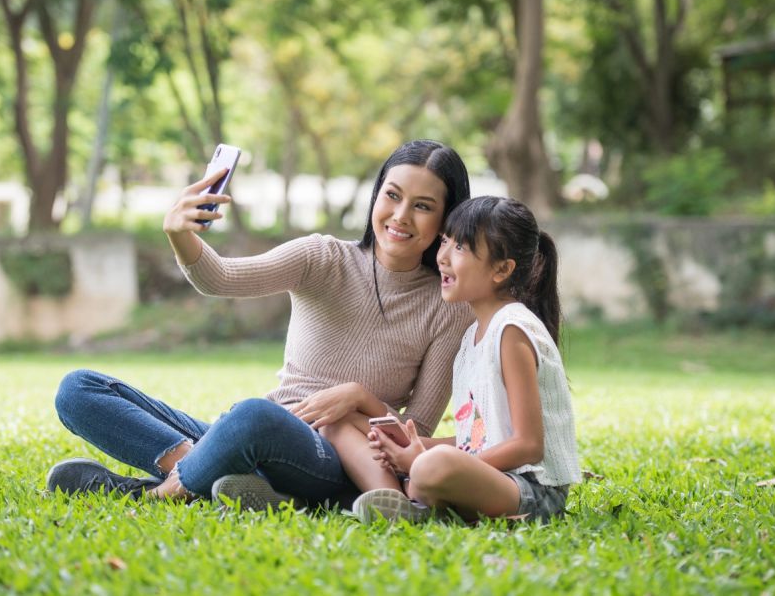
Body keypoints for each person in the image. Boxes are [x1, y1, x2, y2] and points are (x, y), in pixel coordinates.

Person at [46, 140, 473, 509]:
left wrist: (358, 398)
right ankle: (223, 474)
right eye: (392, 196)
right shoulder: (322, 257)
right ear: (376, 196)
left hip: (332, 458)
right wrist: (180, 234)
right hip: (251, 435)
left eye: (423, 206)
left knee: (254, 416)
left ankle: (158, 494)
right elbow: (220, 278)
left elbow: (417, 430)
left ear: (445, 220)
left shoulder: (448, 306)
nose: (400, 216)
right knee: (79, 389)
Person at [353, 196, 580, 523]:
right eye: (445, 241)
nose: (442, 257)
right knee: (394, 447)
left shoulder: (512, 329)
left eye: (460, 248)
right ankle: (418, 504)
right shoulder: (471, 338)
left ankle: (421, 502)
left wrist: (423, 462)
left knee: (433, 467)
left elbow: (529, 446)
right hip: (490, 478)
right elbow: (477, 440)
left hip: (532, 491)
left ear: (502, 269)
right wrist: (415, 446)